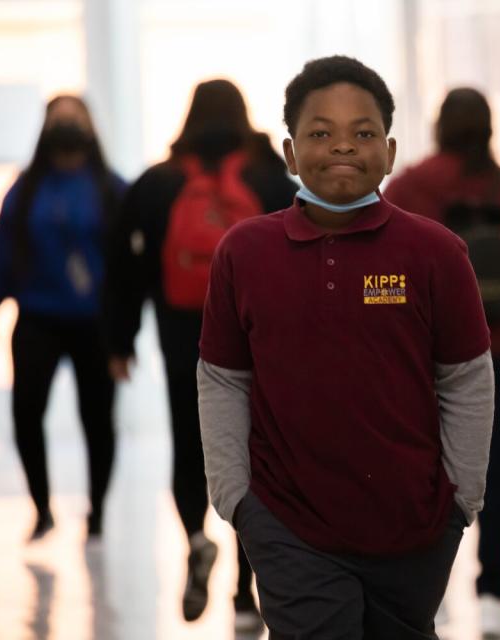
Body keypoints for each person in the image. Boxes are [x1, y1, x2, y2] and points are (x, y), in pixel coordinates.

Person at [197, 55, 495, 639]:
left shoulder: (435, 253)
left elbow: (465, 379)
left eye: (362, 133)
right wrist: (237, 500)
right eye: (320, 133)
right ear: (288, 153)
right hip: (287, 523)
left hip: (414, 527)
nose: (342, 147)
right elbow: (223, 379)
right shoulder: (244, 252)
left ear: (388, 151)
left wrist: (460, 502)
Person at [104, 79, 297, 630]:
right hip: (260, 340)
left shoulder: (156, 184)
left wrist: (119, 343)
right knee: (255, 455)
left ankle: (194, 538)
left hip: (184, 339)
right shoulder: (269, 179)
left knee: (191, 444)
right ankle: (243, 591)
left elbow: (122, 269)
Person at [384, 87, 500, 636]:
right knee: (495, 474)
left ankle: (428, 593)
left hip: (427, 359)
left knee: (423, 472)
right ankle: (491, 596)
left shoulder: (410, 186)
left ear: (441, 127)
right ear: (489, 130)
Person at [0, 95, 125, 542]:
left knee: (97, 418)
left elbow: (127, 263)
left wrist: (127, 328)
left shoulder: (110, 187)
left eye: (74, 117)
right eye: (58, 118)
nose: (66, 124)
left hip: (95, 323)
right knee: (26, 412)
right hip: (38, 317)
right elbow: (1, 250)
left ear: (90, 126)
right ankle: (41, 509)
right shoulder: (25, 188)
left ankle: (97, 511)